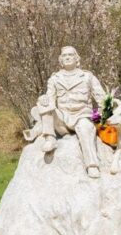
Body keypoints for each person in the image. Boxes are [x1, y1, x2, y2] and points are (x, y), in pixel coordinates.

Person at [38, 46, 106, 178]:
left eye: (70, 55)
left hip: (82, 116)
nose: (67, 57)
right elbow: (50, 99)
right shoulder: (54, 79)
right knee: (43, 102)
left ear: (77, 58)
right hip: (62, 119)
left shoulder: (87, 77)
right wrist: (44, 99)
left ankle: (92, 166)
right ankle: (50, 138)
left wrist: (98, 118)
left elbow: (102, 99)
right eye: (64, 56)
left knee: (85, 128)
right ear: (60, 60)